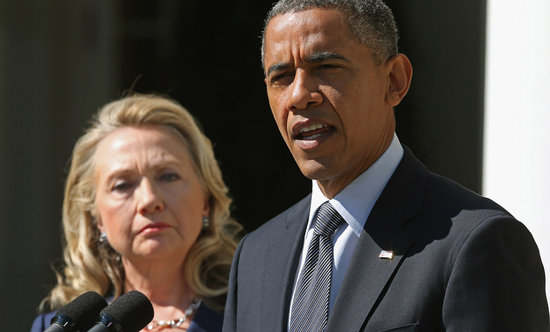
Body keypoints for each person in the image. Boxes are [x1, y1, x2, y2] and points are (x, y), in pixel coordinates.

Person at [223, 0, 549, 331]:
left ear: (394, 80)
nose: (299, 95)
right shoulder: (256, 256)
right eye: (281, 76)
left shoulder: (478, 243)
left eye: (326, 67)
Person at [31, 94, 242, 332]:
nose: (149, 200)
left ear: (206, 199)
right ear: (96, 218)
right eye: (122, 185)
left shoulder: (252, 314)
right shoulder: (62, 328)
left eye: (168, 176)